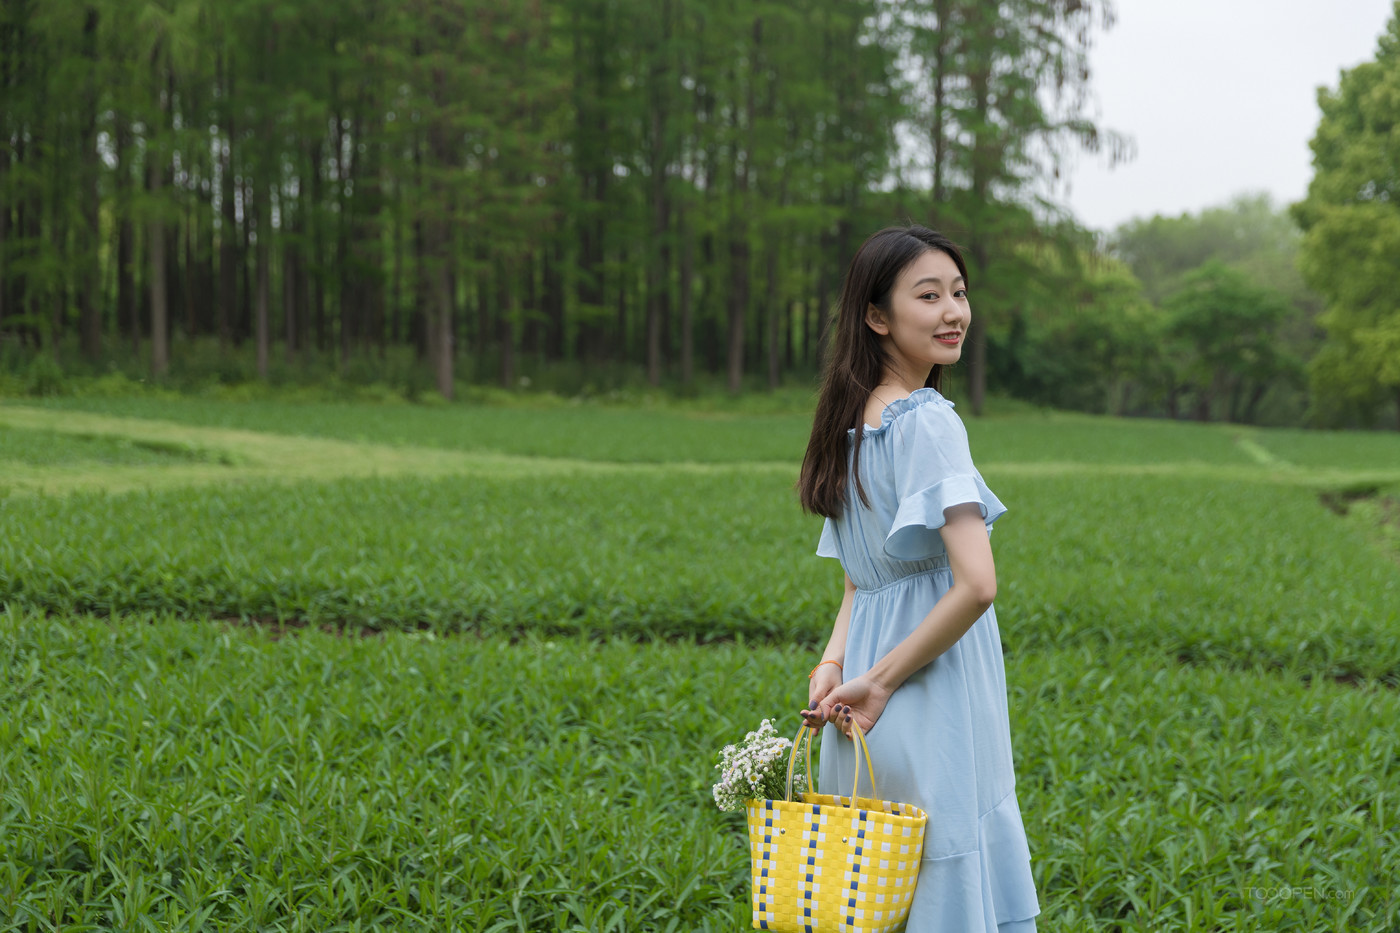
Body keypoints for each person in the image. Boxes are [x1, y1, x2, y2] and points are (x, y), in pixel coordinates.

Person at [797, 225, 1040, 932]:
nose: (952, 312)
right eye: (928, 295)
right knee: (942, 867)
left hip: (861, 696)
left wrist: (835, 662)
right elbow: (977, 584)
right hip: (919, 688)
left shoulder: (848, 428)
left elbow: (857, 583)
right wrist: (877, 682)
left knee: (876, 886)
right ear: (877, 316)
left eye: (959, 293)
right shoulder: (927, 422)